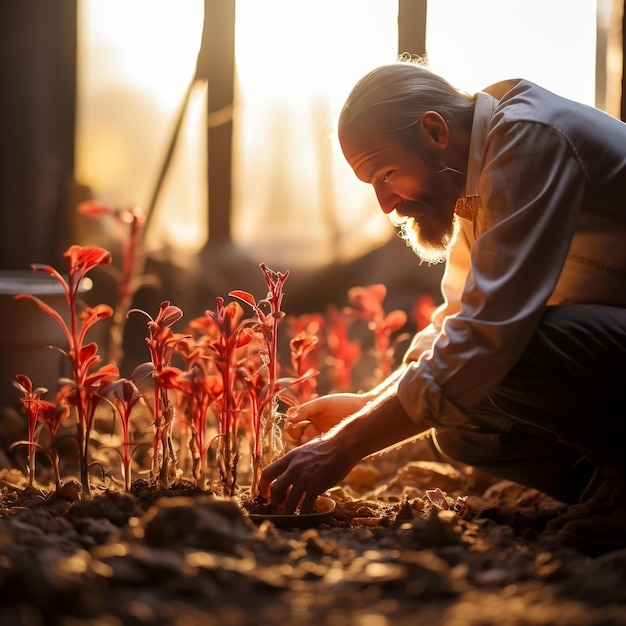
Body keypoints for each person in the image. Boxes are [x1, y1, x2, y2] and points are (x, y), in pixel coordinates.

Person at [258, 58, 626, 556]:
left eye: (386, 174)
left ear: (434, 130)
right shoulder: (481, 171)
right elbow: (455, 320)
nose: (386, 204)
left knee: (508, 356)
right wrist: (365, 406)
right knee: (458, 432)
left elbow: (487, 337)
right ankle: (603, 487)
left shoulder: (528, 140)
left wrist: (343, 447)